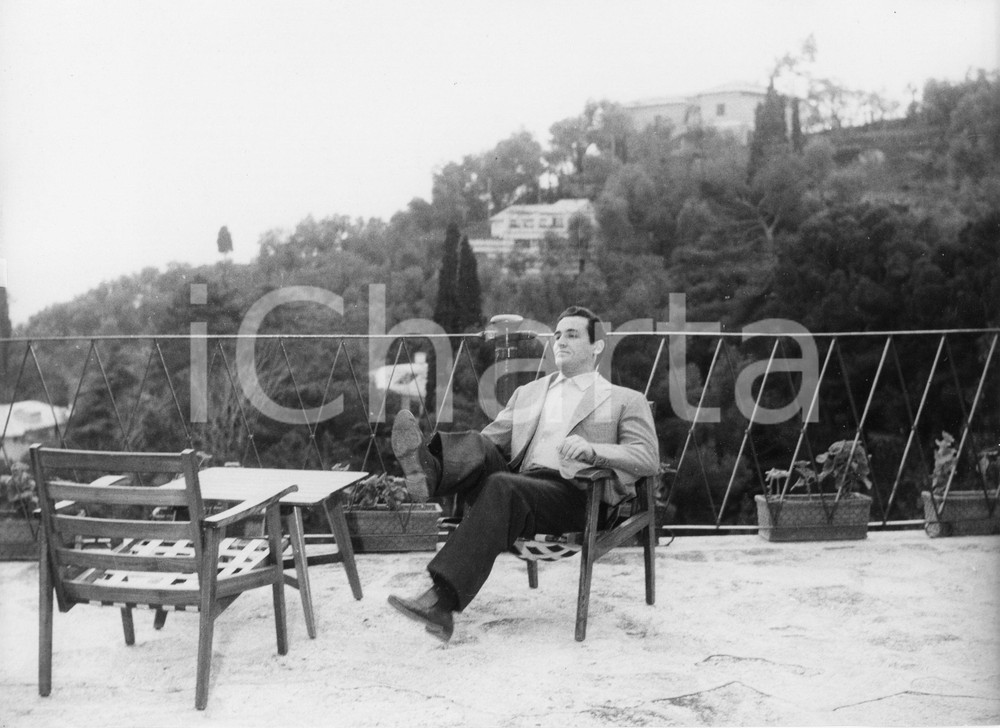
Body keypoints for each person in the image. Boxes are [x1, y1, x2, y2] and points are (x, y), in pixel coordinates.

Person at [387, 306, 659, 641]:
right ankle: (428, 471)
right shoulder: (529, 393)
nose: (560, 341)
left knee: (502, 486)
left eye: (572, 335)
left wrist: (593, 450)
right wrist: (461, 457)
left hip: (577, 495)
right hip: (524, 485)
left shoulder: (624, 399)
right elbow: (489, 442)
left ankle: (441, 603)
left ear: (597, 346)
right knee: (479, 444)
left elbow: (647, 457)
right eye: (557, 335)